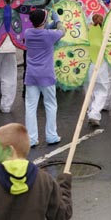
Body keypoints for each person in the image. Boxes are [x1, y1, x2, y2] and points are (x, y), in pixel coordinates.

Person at [24, 9, 65, 147]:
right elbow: (62, 31)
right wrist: (57, 20)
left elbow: (41, 29)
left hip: (31, 75)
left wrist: (49, 23)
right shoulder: (49, 35)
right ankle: (51, 135)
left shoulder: (28, 33)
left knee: (30, 107)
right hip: (46, 75)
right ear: (44, 21)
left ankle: (31, 138)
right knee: (50, 105)